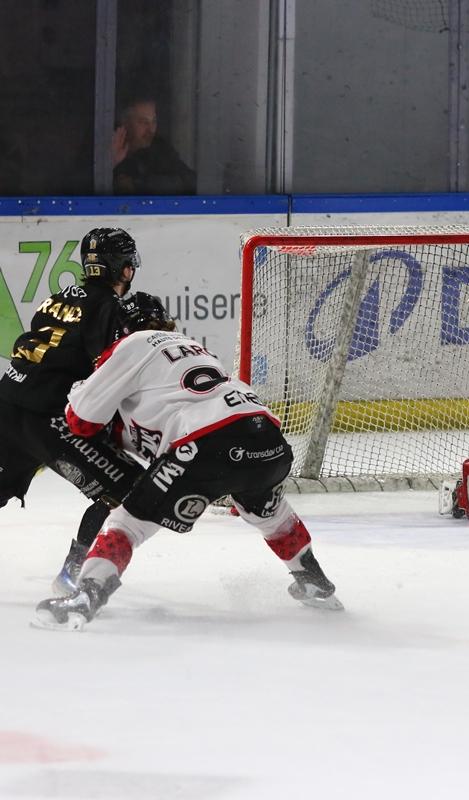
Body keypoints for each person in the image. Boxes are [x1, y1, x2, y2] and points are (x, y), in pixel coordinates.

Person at [33, 293, 342, 630]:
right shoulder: (193, 348)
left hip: (204, 445)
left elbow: (81, 421)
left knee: (127, 523)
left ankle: (85, 597)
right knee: (272, 515)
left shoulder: (132, 343)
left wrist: (78, 392)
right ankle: (315, 583)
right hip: (269, 441)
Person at [0, 228, 145, 590]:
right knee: (126, 489)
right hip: (47, 418)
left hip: (7, 402)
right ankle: (73, 574)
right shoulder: (108, 307)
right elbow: (108, 371)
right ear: (123, 268)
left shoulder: (56, 297)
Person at [111, 97, 196, 195]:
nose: (151, 130)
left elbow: (190, 180)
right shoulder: (109, 147)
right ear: (126, 123)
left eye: (153, 121)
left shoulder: (159, 147)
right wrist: (111, 163)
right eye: (143, 122)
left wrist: (137, 184)